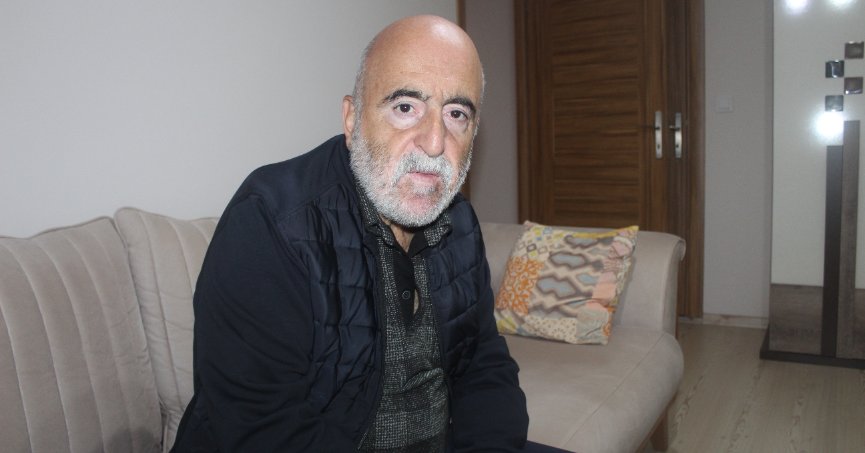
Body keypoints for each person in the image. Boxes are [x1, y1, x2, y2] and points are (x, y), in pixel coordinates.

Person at [171, 15, 566, 453]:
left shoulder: (459, 223)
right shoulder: (270, 222)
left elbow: (483, 364)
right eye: (405, 107)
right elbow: (261, 428)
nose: (435, 142)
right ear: (352, 117)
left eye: (456, 114)